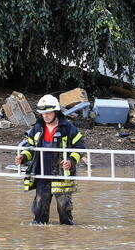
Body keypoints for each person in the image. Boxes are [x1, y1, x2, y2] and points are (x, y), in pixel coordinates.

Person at [15, 94, 85, 225]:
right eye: (43, 113)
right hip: (42, 173)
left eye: (48, 113)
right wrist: (23, 157)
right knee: (40, 207)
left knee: (64, 206)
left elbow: (80, 147)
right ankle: (39, 234)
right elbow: (31, 148)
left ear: (56, 112)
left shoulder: (68, 128)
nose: (45, 116)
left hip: (62, 174)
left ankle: (66, 234)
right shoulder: (37, 128)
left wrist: (71, 160)